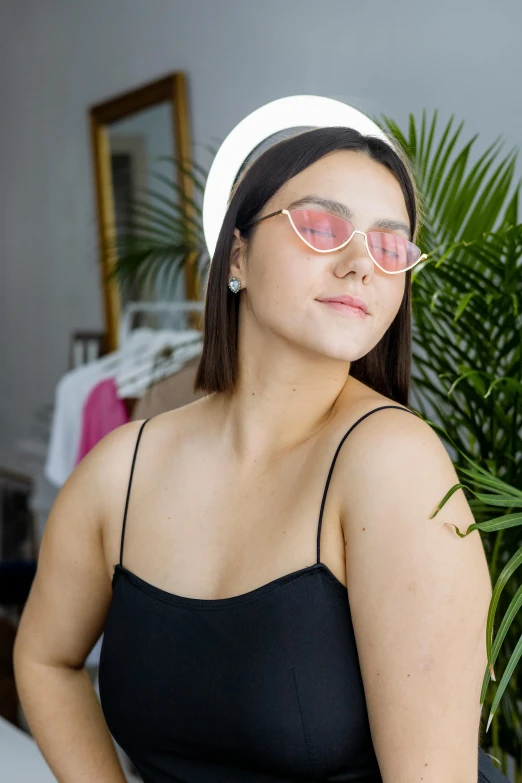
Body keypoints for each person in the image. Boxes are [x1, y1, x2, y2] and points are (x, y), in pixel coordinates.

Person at [13, 127, 507, 782]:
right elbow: (45, 658)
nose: (362, 263)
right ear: (237, 255)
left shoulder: (393, 466)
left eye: (390, 245)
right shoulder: (121, 470)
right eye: (322, 226)